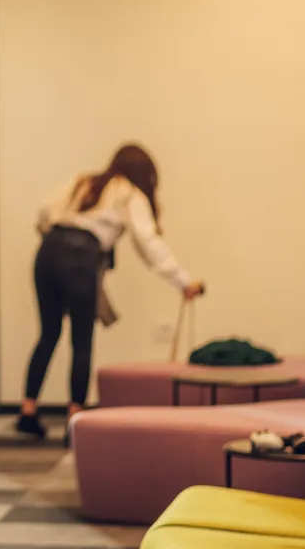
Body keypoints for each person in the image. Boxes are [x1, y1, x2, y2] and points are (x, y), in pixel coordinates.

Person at [18, 143, 205, 442]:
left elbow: (44, 213)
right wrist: (184, 282)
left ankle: (28, 411)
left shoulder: (84, 180)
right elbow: (149, 244)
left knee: (49, 332)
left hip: (47, 252)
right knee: (81, 340)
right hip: (81, 257)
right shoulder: (128, 192)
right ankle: (74, 420)